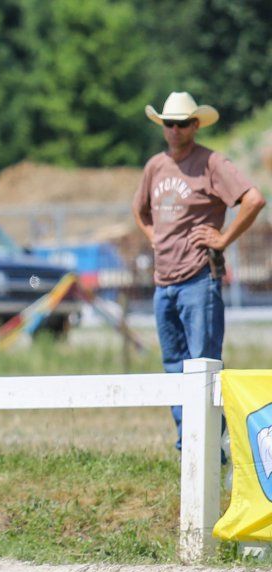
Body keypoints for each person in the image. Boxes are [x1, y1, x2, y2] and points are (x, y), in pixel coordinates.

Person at [132, 92, 266, 449]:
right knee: (174, 366)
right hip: (164, 282)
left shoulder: (211, 163)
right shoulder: (155, 167)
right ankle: (188, 444)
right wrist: (155, 238)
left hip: (198, 279)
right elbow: (140, 211)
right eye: (168, 124)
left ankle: (213, 448)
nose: (174, 130)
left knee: (202, 368)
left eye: (181, 124)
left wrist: (223, 239)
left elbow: (254, 199)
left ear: (195, 125)